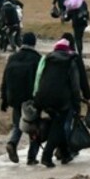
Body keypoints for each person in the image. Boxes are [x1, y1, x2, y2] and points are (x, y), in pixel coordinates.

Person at [33, 39, 82, 168]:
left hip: (44, 96)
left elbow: (39, 77)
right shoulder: (70, 62)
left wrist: (37, 97)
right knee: (58, 127)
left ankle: (65, 153)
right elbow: (75, 86)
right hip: (61, 100)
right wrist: (77, 104)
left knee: (56, 124)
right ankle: (46, 156)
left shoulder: (48, 60)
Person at [1, 32, 41, 165]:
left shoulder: (13, 57)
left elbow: (5, 79)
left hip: (14, 97)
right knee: (34, 127)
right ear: (34, 43)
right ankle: (31, 157)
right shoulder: (37, 59)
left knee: (18, 124)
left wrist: (4, 100)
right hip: (30, 99)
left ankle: (12, 143)